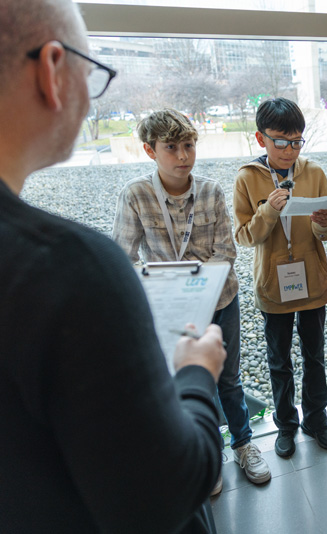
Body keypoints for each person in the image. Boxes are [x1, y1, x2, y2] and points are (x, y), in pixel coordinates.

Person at [0, 1, 227, 532]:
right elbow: (165, 495)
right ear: (53, 70)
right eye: (92, 70)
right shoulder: (72, 269)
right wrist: (195, 375)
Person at [112, 108, 270, 491]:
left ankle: (244, 443)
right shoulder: (136, 194)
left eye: (188, 146)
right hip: (170, 307)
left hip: (219, 300)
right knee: (184, 378)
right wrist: (165, 284)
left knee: (228, 378)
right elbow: (123, 256)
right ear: (150, 151)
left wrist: (195, 281)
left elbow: (226, 252)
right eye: (171, 148)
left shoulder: (212, 191)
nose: (183, 156)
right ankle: (207, 453)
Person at [233, 97, 327, 458]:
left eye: (296, 142)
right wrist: (268, 211)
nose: (290, 151)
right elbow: (245, 236)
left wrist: (325, 225)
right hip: (273, 286)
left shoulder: (314, 172)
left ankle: (317, 420)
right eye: (281, 141)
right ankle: (286, 426)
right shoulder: (247, 177)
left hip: (312, 281)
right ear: (261, 139)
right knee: (279, 361)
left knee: (315, 357)